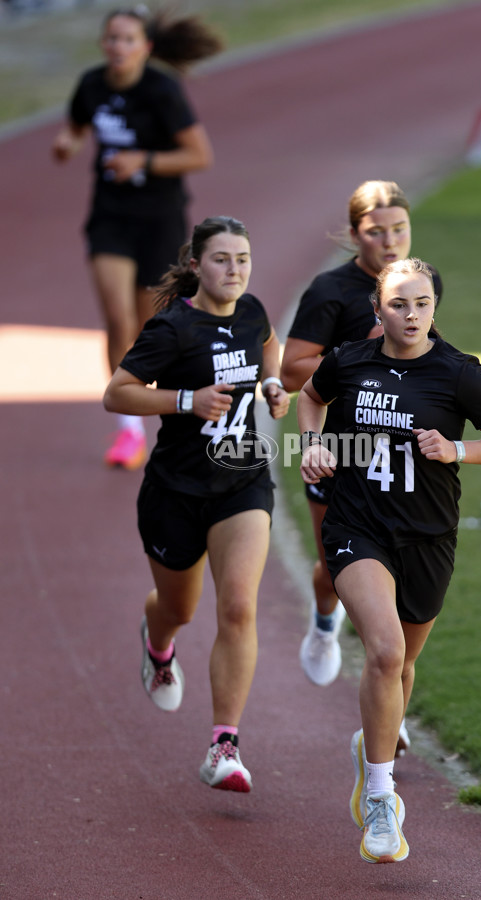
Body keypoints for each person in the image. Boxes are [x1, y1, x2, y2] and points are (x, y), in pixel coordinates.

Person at [297, 258, 481, 862]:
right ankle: (381, 798)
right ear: (378, 309)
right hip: (357, 529)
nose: (411, 314)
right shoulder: (350, 361)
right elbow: (310, 397)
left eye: (421, 303)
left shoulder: (458, 373)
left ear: (434, 308)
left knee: (400, 669)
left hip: (428, 538)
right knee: (385, 649)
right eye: (398, 303)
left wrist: (456, 448)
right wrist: (315, 443)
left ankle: (369, 745)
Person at [103, 216, 289, 792]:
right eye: (221, 260)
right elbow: (117, 393)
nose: (233, 270)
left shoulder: (253, 311)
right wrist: (187, 399)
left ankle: (223, 745)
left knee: (237, 607)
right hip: (176, 494)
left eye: (242, 259)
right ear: (196, 266)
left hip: (241, 484)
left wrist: (273, 385)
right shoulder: (173, 328)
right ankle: (157, 644)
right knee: (178, 610)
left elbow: (269, 348)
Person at [281, 179, 441, 757]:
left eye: (400, 228)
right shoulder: (331, 290)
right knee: (333, 569)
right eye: (378, 231)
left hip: (396, 458)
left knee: (397, 596)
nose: (391, 240)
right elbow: (293, 366)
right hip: (339, 451)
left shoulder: (412, 286)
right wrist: (360, 352)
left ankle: (387, 711)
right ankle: (325, 622)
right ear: (355, 235)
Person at [52, 5, 222, 469]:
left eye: (128, 40)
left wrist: (142, 162)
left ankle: (175, 411)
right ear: (103, 44)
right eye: (112, 38)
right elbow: (77, 125)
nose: (118, 47)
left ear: (146, 47)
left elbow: (199, 155)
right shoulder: (92, 85)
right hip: (110, 218)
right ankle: (128, 430)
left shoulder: (162, 91)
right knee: (115, 318)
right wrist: (67, 143)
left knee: (150, 331)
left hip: (159, 220)